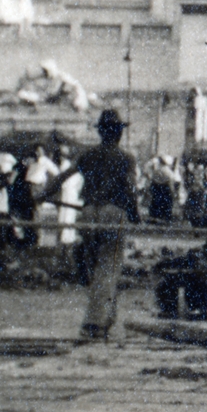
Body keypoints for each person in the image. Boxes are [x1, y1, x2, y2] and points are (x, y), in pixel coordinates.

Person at [76, 109, 139, 340]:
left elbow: (65, 175)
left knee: (96, 268)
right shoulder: (125, 158)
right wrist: (135, 213)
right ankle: (94, 323)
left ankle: (106, 318)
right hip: (112, 213)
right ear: (118, 133)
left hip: (87, 212)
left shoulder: (88, 156)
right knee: (108, 268)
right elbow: (130, 188)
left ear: (101, 132)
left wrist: (44, 194)